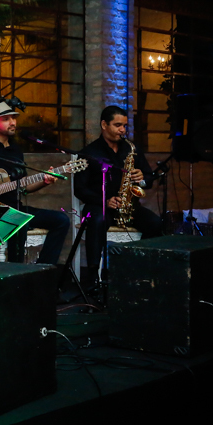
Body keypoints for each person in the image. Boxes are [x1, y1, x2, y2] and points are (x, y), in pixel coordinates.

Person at [0, 102, 70, 265]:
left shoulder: (15, 149)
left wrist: (44, 181)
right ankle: (12, 270)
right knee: (16, 224)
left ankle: (42, 269)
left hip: (15, 208)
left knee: (61, 220)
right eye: (6, 119)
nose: (13, 122)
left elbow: (24, 187)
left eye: (13, 118)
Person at [74, 105, 163, 288]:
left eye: (124, 126)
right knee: (97, 221)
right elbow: (80, 189)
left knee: (155, 223)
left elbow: (149, 179)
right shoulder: (89, 153)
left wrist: (142, 178)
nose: (122, 130)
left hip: (128, 205)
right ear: (104, 125)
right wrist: (105, 201)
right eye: (117, 125)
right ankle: (92, 278)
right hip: (99, 205)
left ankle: (136, 268)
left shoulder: (132, 149)